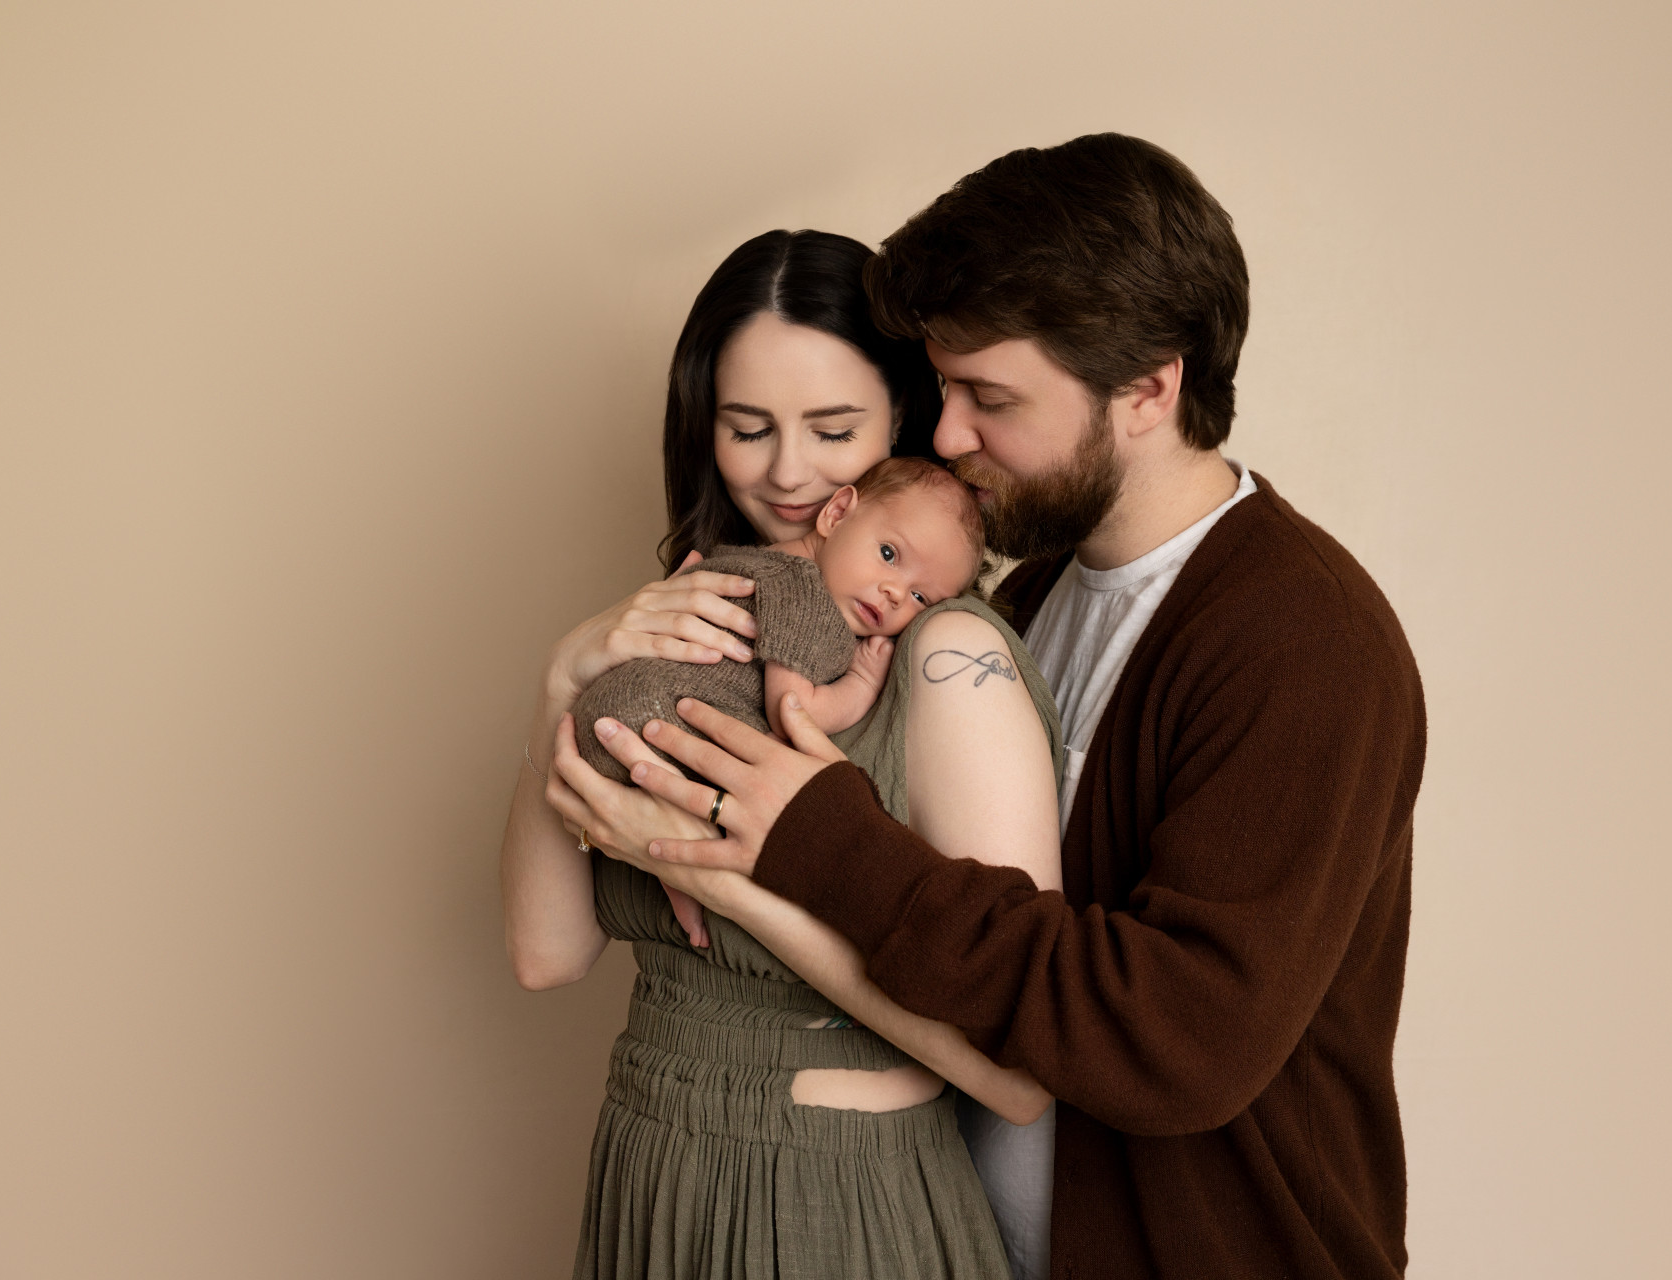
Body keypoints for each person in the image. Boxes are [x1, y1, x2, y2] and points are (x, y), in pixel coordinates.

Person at [557, 135, 1427, 1280]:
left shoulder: (1304, 642)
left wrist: (818, 839)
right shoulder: (1028, 592)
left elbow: (1182, 1039)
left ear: (1148, 388)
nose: (949, 435)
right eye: (945, 386)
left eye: (989, 397)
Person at [501, 228, 1067, 1280]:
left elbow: (1020, 1069)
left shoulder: (943, 657)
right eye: (747, 427)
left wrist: (725, 867)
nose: (790, 471)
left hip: (831, 1199)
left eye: (835, 428)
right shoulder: (698, 617)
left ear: (901, 420)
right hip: (649, 1175)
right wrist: (561, 677)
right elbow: (547, 954)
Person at [570, 456, 986, 946]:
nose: (895, 593)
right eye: (890, 554)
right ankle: (681, 878)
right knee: (718, 821)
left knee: (680, 817)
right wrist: (863, 683)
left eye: (921, 599)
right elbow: (792, 715)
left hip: (608, 711)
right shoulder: (805, 592)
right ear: (836, 513)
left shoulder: (763, 558)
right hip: (647, 723)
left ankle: (671, 875)